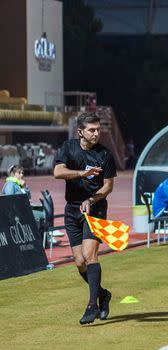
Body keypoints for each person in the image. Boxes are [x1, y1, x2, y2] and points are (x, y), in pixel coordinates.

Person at [53, 112, 117, 325]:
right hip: (72, 209)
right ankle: (103, 294)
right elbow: (57, 172)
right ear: (80, 131)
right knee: (79, 262)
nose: (96, 133)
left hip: (95, 208)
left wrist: (91, 198)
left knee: (90, 255)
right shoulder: (68, 147)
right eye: (91, 130)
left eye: (98, 129)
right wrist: (82, 174)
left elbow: (108, 186)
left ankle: (92, 306)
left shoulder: (105, 154)